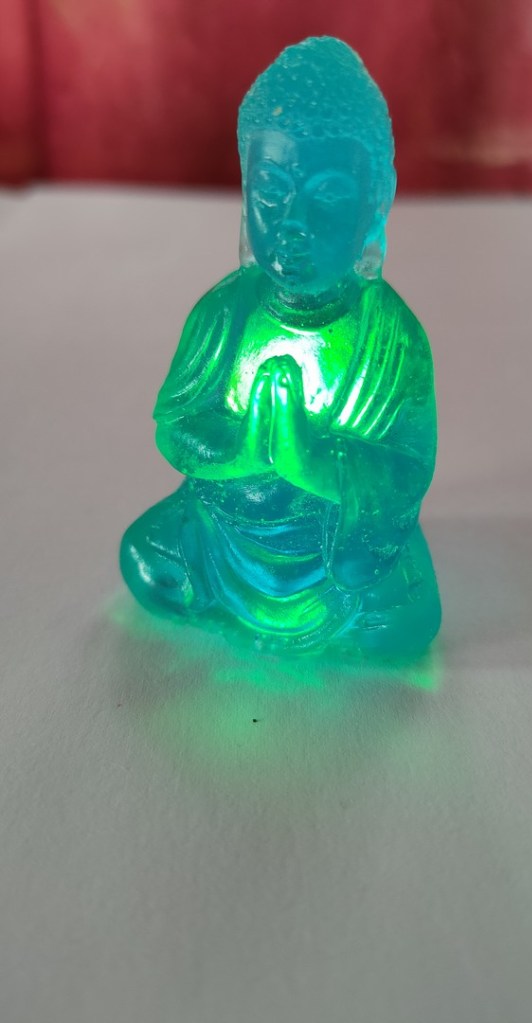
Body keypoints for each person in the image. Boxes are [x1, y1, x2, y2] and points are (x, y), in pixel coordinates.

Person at [120, 36, 441, 656]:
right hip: (224, 526)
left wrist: (314, 459)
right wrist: (243, 447)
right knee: (145, 557)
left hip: (335, 545)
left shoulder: (393, 336)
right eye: (271, 191)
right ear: (245, 192)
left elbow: (408, 468)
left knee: (402, 624)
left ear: (375, 203)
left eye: (328, 196)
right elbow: (175, 428)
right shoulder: (225, 312)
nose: (293, 222)